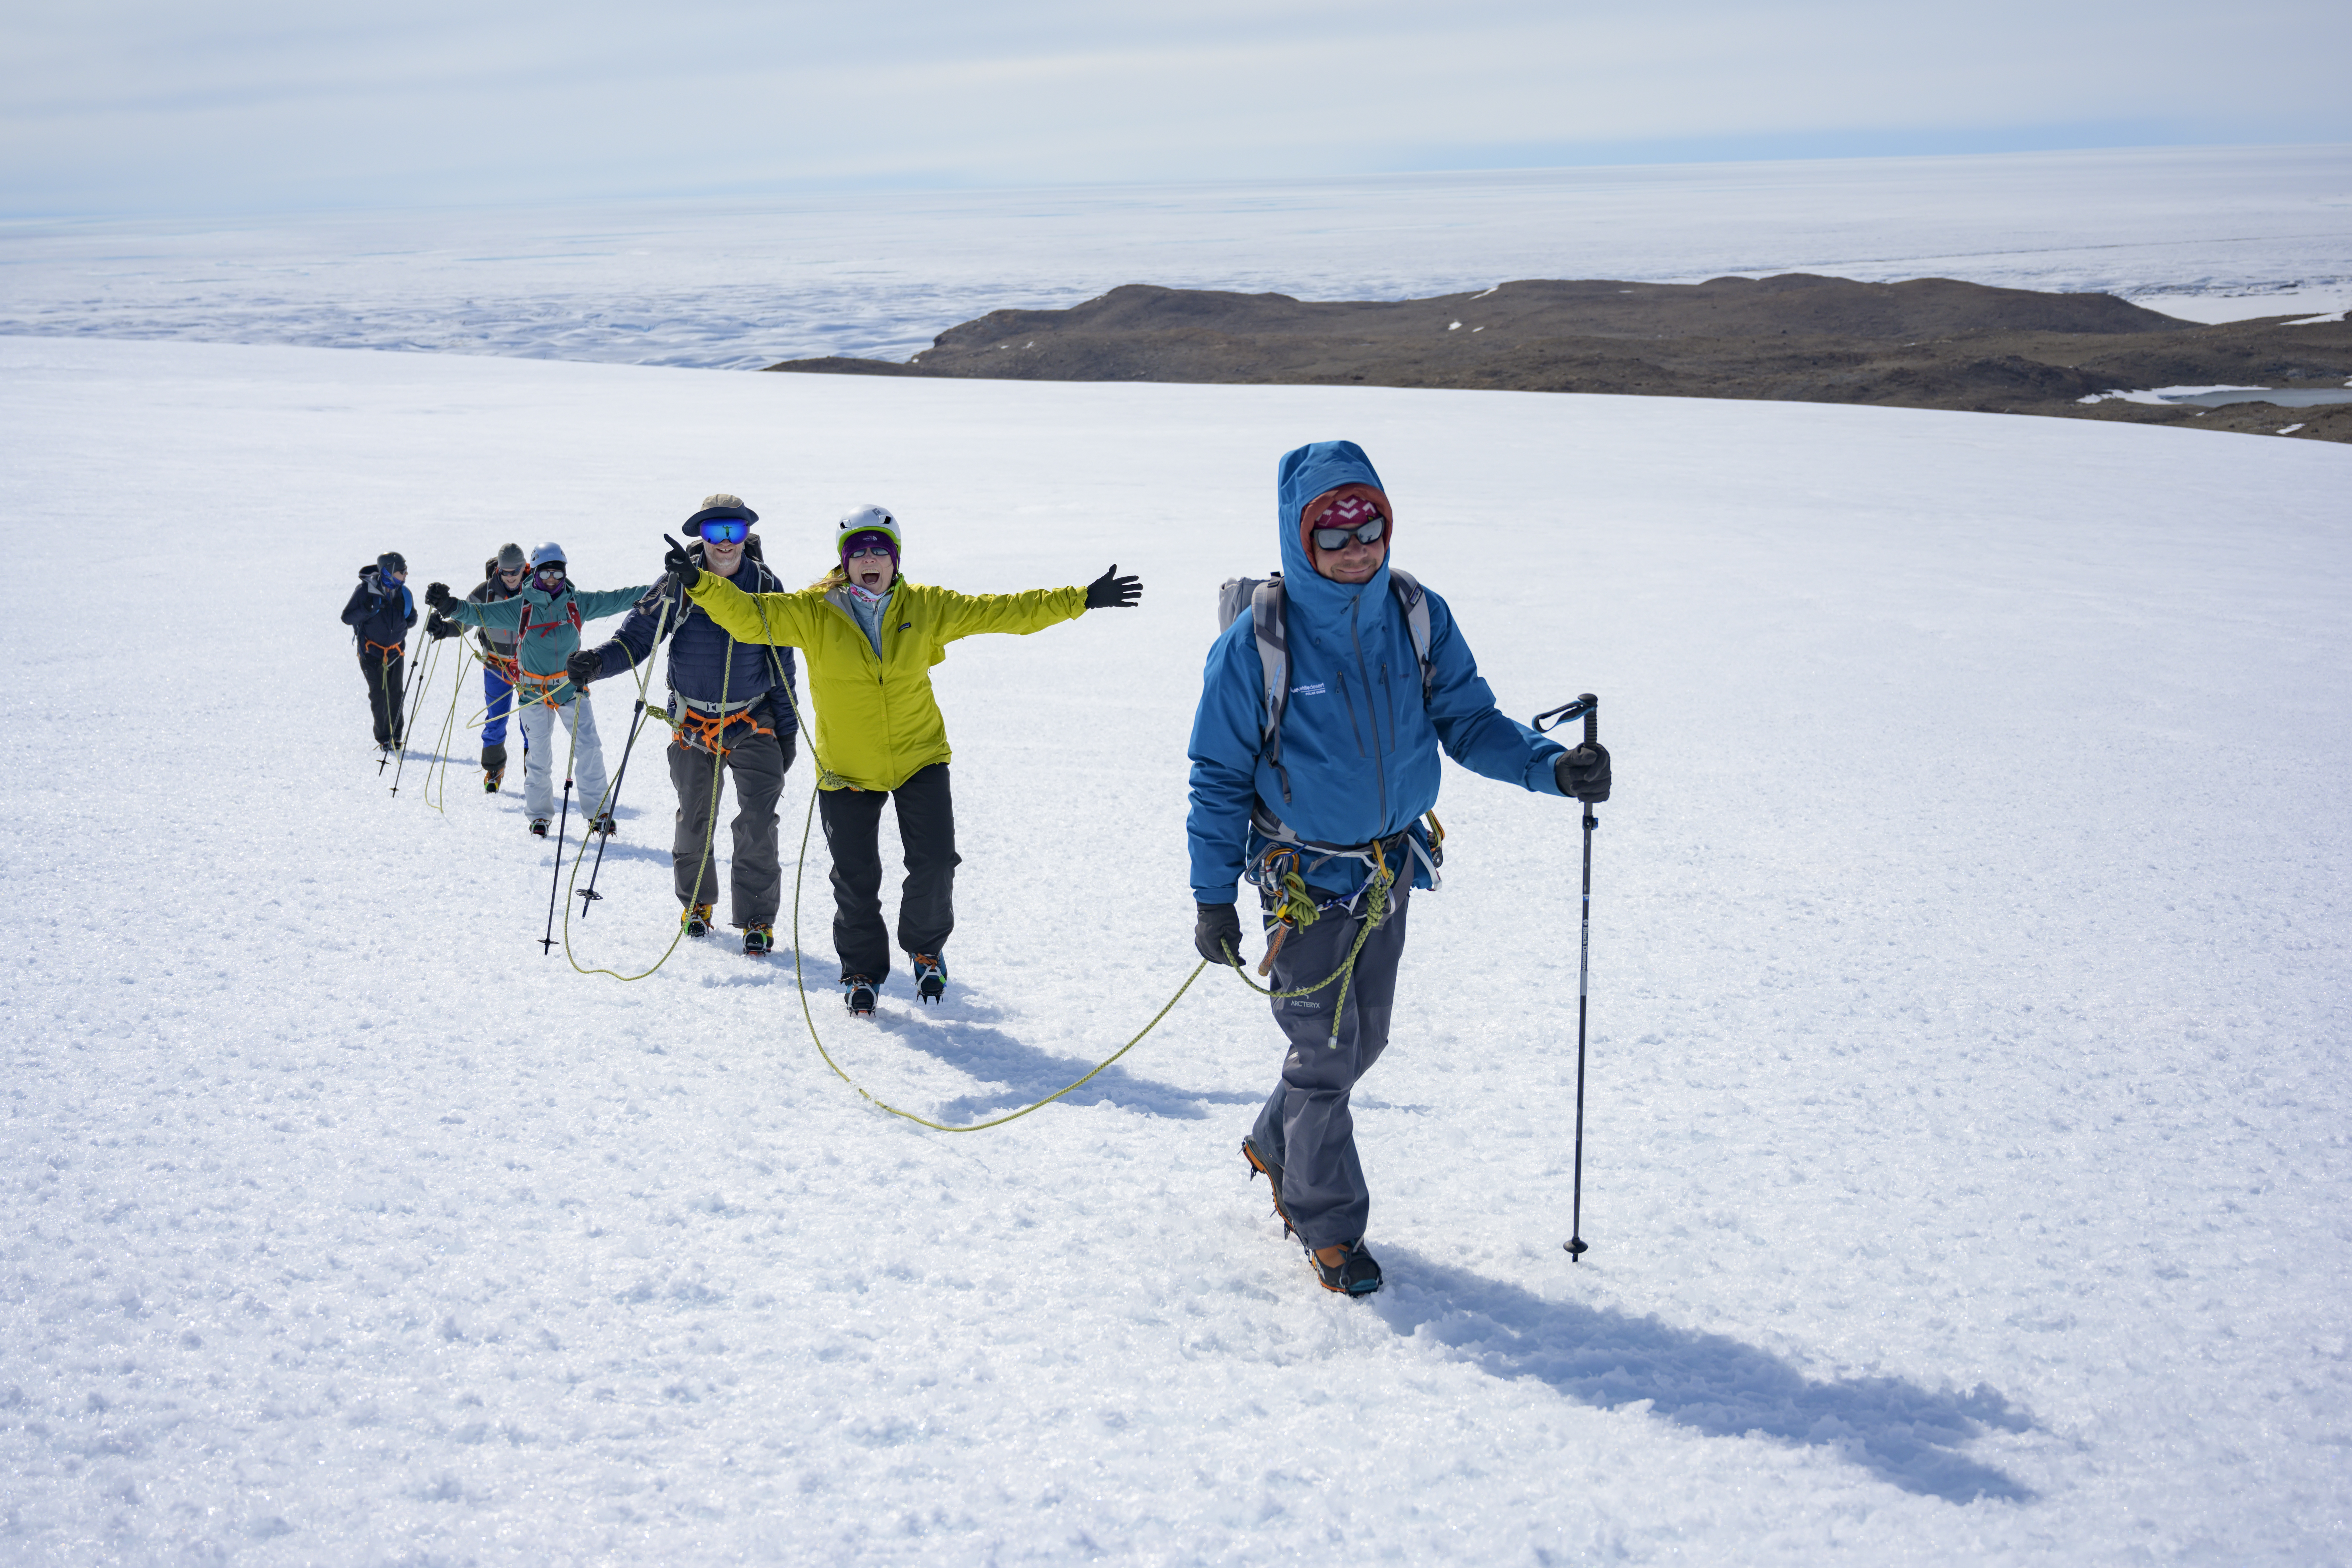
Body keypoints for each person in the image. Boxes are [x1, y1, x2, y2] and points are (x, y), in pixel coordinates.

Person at [1185, 440, 1612, 1298]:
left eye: (1368, 524)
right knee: (1325, 1050)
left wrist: (1551, 767)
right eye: (1332, 532)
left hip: (1387, 867)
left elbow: (1469, 718)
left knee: (1357, 1040)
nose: (1356, 547)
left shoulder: (1416, 613)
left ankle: (1276, 1141)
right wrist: (1211, 897)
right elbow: (1218, 774)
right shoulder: (1256, 646)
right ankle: (1325, 1220)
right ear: (1298, 538)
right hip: (1299, 878)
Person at [663, 505, 1142, 1013]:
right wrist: (699, 582)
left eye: (880, 551)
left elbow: (1004, 611)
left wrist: (1082, 599)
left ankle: (926, 948)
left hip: (920, 758)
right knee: (855, 879)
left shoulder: (927, 606)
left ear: (895, 559)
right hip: (846, 769)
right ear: (845, 562)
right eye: (859, 552)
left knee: (935, 864)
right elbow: (750, 617)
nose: (870, 560)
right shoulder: (812, 610)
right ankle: (861, 972)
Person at [566, 496, 803, 957]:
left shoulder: (767, 586)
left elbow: (783, 665)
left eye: (735, 531)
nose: (727, 543)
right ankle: (697, 904)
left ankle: (757, 919)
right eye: (716, 533)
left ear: (746, 534)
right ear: (702, 536)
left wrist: (789, 730)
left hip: (754, 719)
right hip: (693, 723)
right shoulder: (677, 585)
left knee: (757, 822)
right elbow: (635, 639)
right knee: (696, 820)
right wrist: (596, 663)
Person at [423, 545, 652, 837]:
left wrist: (658, 589)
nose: (553, 578)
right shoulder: (521, 606)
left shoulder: (577, 602)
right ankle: (540, 816)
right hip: (534, 692)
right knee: (539, 757)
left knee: (590, 749)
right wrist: (449, 606)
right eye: (546, 572)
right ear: (536, 572)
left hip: (571, 689)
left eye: (558, 572)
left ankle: (600, 812)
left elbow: (617, 598)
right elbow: (478, 613)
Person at [464, 543, 531, 792]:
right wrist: (445, 628)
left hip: (530, 668)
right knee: (496, 718)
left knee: (531, 723)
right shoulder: (486, 592)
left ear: (525, 567)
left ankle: (534, 773)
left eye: (516, 571)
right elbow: (464, 619)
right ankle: (494, 769)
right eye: (506, 572)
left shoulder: (537, 589)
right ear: (499, 571)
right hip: (496, 665)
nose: (511, 577)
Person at [341, 551, 416, 754]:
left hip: (396, 653)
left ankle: (396, 737)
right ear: (389, 571)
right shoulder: (365, 591)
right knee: (379, 696)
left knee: (396, 695)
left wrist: (402, 621)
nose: (406, 574)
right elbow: (347, 617)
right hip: (371, 654)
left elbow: (413, 619)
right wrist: (367, 609)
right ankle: (384, 738)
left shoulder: (404, 593)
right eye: (402, 571)